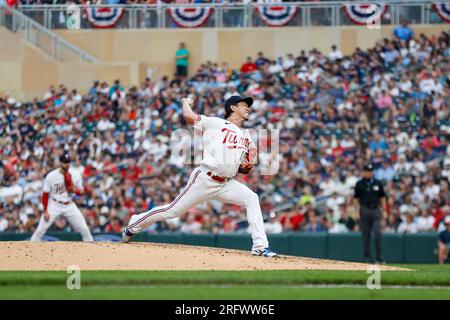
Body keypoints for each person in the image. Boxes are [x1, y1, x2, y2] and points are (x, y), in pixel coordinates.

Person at [122, 95, 277, 257]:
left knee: (251, 198)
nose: (248, 108)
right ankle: (134, 224)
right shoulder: (217, 123)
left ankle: (260, 246)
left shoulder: (246, 135)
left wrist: (247, 165)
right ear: (233, 108)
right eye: (244, 105)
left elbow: (246, 165)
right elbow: (189, 117)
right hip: (205, 178)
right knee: (172, 211)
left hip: (226, 184)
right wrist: (185, 102)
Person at [30, 154, 93, 241]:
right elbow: (45, 194)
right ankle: (29, 249)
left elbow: (81, 192)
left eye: (68, 162)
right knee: (40, 230)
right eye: (64, 162)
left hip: (69, 205)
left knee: (84, 229)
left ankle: (91, 250)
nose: (66, 164)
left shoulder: (75, 174)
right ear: (60, 163)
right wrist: (45, 210)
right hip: (54, 205)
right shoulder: (51, 176)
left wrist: (74, 190)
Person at [353, 164, 388, 264]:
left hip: (376, 210)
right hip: (364, 210)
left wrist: (384, 210)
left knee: (378, 234)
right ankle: (367, 258)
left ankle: (379, 258)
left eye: (371, 171)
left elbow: (382, 197)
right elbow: (356, 199)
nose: (369, 172)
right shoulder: (359, 184)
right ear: (364, 172)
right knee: (366, 235)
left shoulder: (378, 183)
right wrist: (356, 211)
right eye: (367, 171)